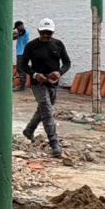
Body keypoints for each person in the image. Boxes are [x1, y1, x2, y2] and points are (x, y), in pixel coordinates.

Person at [20, 18, 70, 157]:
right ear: (38, 31)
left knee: (42, 109)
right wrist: (35, 75)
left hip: (53, 84)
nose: (46, 35)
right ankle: (54, 143)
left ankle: (29, 130)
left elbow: (67, 63)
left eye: (49, 33)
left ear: (52, 32)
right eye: (43, 32)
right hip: (38, 84)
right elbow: (22, 65)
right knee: (47, 111)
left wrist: (59, 72)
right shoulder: (31, 46)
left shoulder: (58, 45)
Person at [13, 20, 29, 90]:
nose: (16, 29)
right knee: (21, 69)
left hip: (21, 53)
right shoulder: (21, 32)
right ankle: (21, 85)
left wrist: (15, 31)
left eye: (17, 27)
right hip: (22, 53)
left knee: (20, 69)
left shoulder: (24, 31)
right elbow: (14, 37)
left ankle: (21, 86)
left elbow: (18, 33)